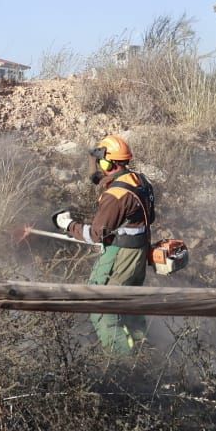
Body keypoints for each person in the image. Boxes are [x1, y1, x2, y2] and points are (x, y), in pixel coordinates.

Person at [53, 134, 156, 354]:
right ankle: (145, 355)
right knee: (129, 306)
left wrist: (68, 225)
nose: (98, 164)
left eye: (100, 160)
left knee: (101, 305)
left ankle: (124, 363)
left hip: (121, 256)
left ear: (108, 162)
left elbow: (96, 235)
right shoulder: (139, 180)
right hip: (138, 252)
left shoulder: (116, 195)